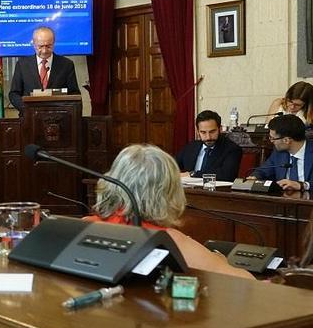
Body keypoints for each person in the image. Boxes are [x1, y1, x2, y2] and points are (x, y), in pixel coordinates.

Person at [86, 144, 253, 280]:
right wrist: (220, 262)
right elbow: (247, 283)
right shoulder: (168, 241)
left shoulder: (85, 226)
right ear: (168, 191)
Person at [8, 26, 79, 111]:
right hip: (29, 118)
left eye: (48, 46)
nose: (44, 51)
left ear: (53, 43)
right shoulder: (22, 65)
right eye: (40, 46)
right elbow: (14, 94)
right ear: (34, 44)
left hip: (58, 118)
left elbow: (74, 94)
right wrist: (28, 109)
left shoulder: (67, 65)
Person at [249, 114, 313, 191]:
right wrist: (255, 177)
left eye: (272, 138)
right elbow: (262, 171)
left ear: (286, 140)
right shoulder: (279, 153)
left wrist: (302, 185)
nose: (271, 141)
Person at [175, 110, 242, 181]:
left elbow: (226, 175)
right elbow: (171, 166)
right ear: (197, 132)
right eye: (203, 132)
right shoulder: (191, 147)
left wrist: (192, 174)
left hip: (214, 191)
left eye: (212, 132)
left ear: (220, 129)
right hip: (189, 190)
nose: (208, 137)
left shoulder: (231, 149)